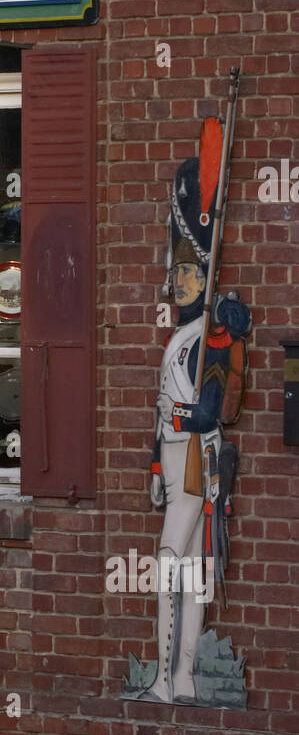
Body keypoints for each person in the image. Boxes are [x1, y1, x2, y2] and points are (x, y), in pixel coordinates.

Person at [136, 132, 251, 705]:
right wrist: (157, 461)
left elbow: (207, 409)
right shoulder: (185, 333)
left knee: (177, 565)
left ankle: (173, 676)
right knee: (181, 567)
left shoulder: (211, 333)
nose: (177, 280)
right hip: (175, 457)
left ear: (204, 278)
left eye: (187, 273)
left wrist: (176, 429)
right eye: (175, 273)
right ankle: (172, 676)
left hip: (198, 460)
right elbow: (166, 412)